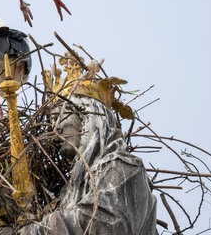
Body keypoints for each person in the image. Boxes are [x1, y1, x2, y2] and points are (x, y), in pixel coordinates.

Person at [19, 93, 159, 235]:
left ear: (88, 117)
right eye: (52, 120)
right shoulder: (67, 192)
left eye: (60, 116)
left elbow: (106, 224)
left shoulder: (124, 168)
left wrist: (35, 232)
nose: (55, 128)